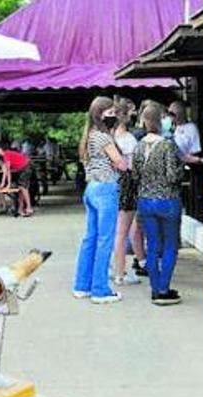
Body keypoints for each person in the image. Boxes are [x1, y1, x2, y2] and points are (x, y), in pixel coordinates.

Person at [73, 96, 129, 304]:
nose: (114, 117)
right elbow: (121, 164)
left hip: (91, 189)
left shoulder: (88, 135)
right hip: (106, 189)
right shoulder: (104, 138)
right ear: (101, 114)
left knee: (90, 239)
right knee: (105, 240)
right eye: (111, 113)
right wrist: (123, 161)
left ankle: (82, 285)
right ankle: (100, 290)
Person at [135, 104, 184, 305]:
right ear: (159, 120)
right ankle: (164, 289)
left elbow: (136, 174)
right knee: (171, 245)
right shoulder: (167, 145)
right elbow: (173, 175)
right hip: (168, 201)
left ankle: (155, 289)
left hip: (145, 201)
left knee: (153, 245)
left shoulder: (138, 145)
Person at [111, 97, 144, 286]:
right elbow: (133, 167)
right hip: (127, 186)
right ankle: (120, 272)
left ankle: (115, 268)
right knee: (122, 233)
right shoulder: (129, 140)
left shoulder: (109, 137)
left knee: (116, 231)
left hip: (112, 185)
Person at [0, 142, 33, 217]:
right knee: (20, 188)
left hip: (26, 168)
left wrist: (8, 184)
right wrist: (3, 183)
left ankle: (29, 208)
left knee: (23, 187)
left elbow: (8, 171)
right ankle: (20, 209)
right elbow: (5, 171)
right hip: (23, 168)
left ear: (0, 149)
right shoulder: (5, 156)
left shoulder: (6, 154)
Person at [167, 100, 203, 165]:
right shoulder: (170, 127)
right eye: (169, 113)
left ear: (180, 113)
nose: (170, 116)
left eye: (172, 114)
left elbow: (195, 151)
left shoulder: (191, 128)